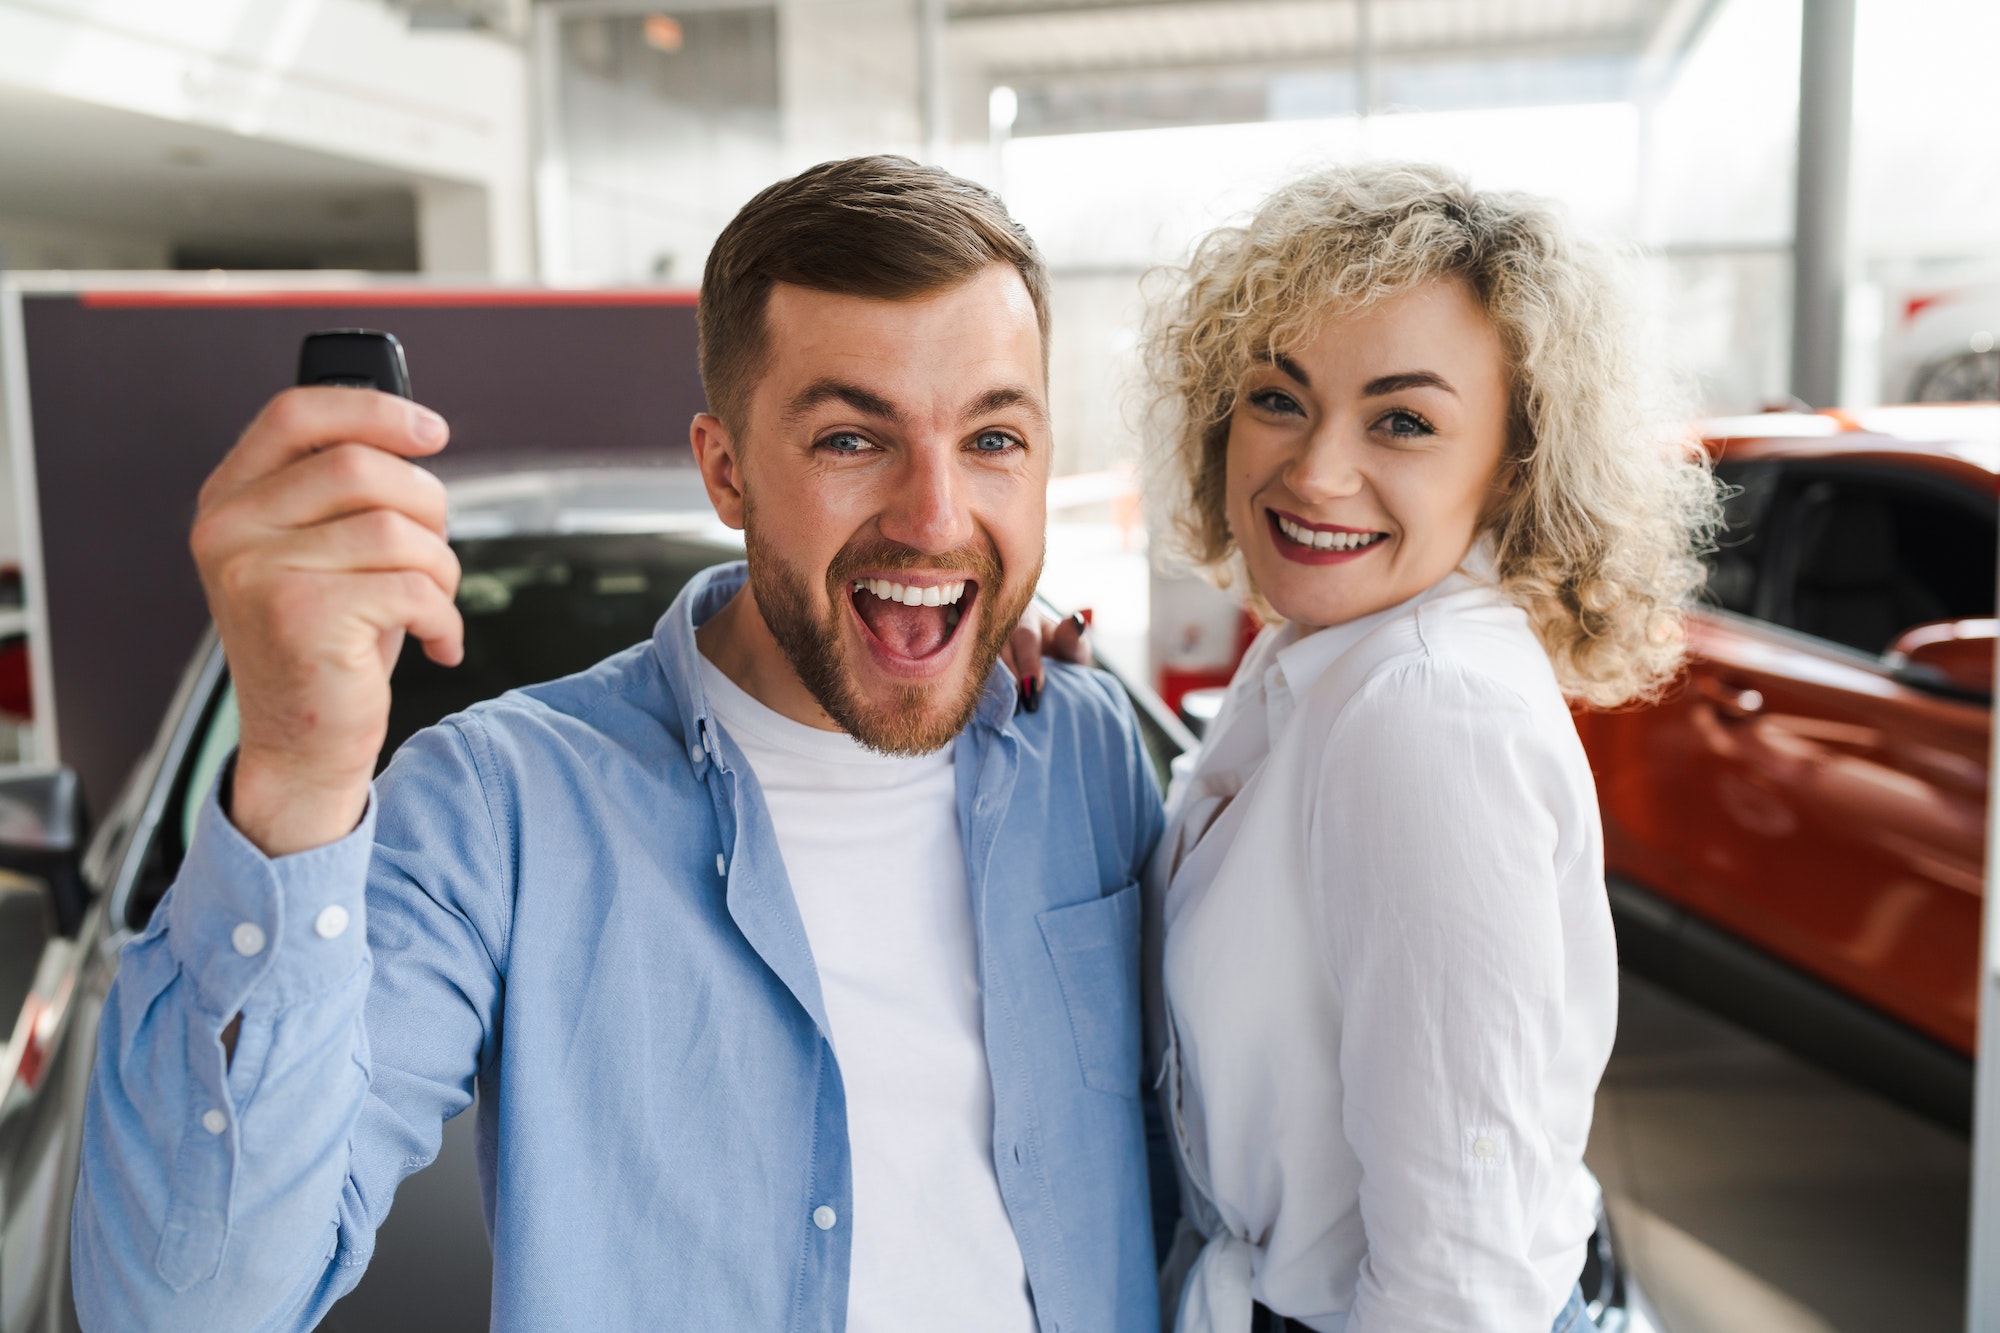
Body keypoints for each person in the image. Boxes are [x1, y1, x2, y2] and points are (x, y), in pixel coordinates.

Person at [72, 156, 1164, 1332]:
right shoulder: (498, 811)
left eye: (993, 440)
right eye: (853, 439)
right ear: (725, 469)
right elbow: (182, 1309)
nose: (936, 516)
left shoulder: (1085, 752)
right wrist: (294, 763)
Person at [1140, 162, 1717, 1333]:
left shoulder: (1421, 709)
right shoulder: (1322, 648)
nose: (1313, 470)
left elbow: (1460, 1277)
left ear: (1510, 463)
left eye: (1401, 420)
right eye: (1276, 396)